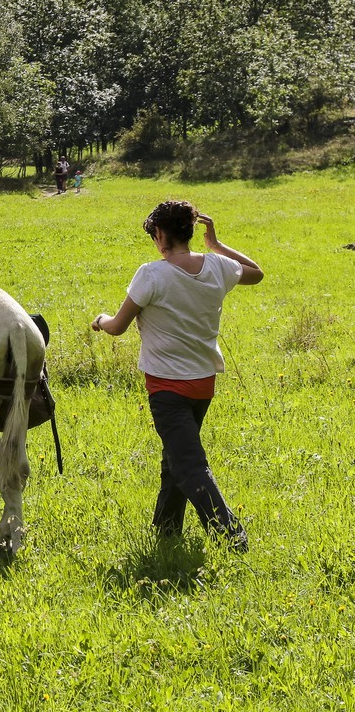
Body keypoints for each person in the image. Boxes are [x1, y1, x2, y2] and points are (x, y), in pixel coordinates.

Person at [90, 201, 263, 552]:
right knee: (175, 458)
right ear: (190, 231)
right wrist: (216, 245)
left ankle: (233, 538)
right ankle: (166, 530)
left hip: (167, 387)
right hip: (203, 385)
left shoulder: (151, 274)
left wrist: (101, 319)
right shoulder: (217, 266)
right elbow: (255, 272)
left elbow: (117, 327)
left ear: (160, 235)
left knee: (188, 465)